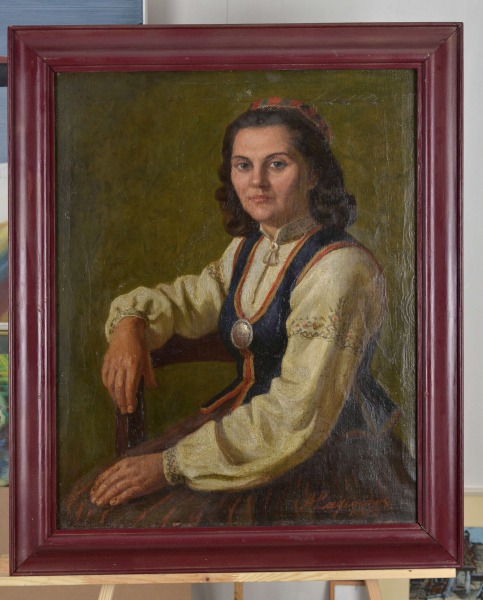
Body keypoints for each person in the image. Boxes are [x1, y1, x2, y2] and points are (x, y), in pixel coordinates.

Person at [63, 98, 415, 529]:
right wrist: (130, 324)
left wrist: (170, 464)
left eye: (277, 164)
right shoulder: (250, 248)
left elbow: (296, 415)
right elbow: (190, 300)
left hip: (320, 453)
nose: (257, 182)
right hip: (245, 431)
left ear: (313, 174)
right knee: (89, 506)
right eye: (243, 165)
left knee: (143, 522)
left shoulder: (340, 269)